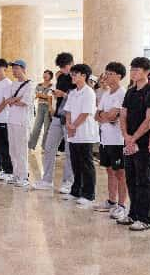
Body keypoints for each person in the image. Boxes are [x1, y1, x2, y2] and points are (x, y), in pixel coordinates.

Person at [119, 57, 150, 231]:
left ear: (147, 72)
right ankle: (133, 213)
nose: (133, 72)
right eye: (132, 69)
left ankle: (146, 218)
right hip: (129, 141)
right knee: (131, 178)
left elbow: (149, 119)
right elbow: (123, 115)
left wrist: (134, 138)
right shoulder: (130, 92)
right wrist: (126, 136)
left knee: (144, 180)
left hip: (143, 143)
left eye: (137, 69)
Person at [33, 53, 76, 191]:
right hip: (58, 116)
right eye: (61, 67)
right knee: (49, 147)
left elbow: (78, 98)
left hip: (71, 118)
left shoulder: (78, 78)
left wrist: (64, 95)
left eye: (65, 66)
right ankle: (47, 180)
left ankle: (68, 182)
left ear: (71, 63)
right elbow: (60, 97)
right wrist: (57, 96)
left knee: (69, 152)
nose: (63, 69)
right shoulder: (61, 77)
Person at [94, 62, 128, 219]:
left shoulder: (122, 93)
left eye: (110, 73)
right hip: (105, 139)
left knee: (120, 173)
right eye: (106, 73)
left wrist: (106, 115)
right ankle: (111, 201)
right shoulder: (106, 93)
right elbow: (97, 115)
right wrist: (106, 115)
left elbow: (113, 116)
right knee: (109, 171)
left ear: (119, 76)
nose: (106, 76)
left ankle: (122, 205)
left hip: (118, 140)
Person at [64, 64, 99, 206]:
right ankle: (76, 190)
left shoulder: (89, 93)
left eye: (75, 74)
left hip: (84, 133)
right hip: (73, 133)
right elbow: (68, 110)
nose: (72, 77)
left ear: (84, 76)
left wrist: (73, 126)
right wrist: (68, 124)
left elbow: (85, 113)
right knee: (75, 163)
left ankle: (89, 194)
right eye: (71, 74)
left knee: (86, 164)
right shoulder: (73, 92)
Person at [5, 60, 35, 188]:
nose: (14, 71)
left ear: (23, 69)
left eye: (16, 68)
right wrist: (17, 98)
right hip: (11, 120)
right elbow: (7, 100)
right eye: (13, 68)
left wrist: (15, 99)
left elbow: (24, 102)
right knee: (13, 149)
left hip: (22, 122)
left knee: (21, 150)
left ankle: (24, 177)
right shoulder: (13, 84)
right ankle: (16, 174)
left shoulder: (30, 85)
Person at [29, 70, 54, 150]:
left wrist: (41, 95)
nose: (45, 75)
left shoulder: (52, 85)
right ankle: (31, 145)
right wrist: (45, 96)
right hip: (40, 106)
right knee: (36, 127)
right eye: (44, 74)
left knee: (47, 128)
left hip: (48, 107)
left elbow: (51, 97)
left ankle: (44, 146)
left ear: (50, 76)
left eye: (47, 74)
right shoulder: (39, 85)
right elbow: (36, 95)